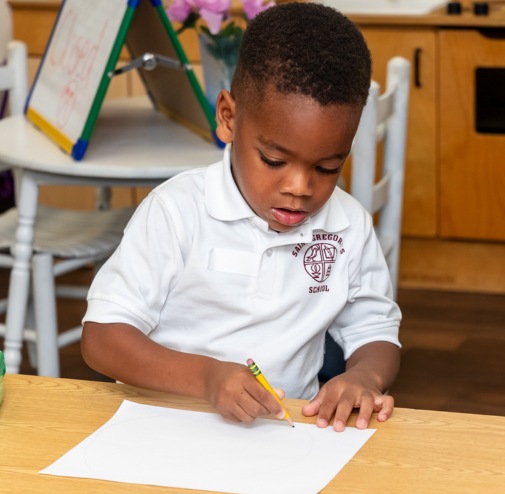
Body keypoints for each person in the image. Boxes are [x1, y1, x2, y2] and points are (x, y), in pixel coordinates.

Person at [81, 2, 401, 432]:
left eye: (327, 168)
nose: (300, 187)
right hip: (162, 427)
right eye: (273, 159)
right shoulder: (176, 211)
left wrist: (363, 376)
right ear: (229, 118)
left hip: (283, 435)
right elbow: (102, 337)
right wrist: (208, 378)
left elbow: (375, 331)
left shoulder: (348, 225)